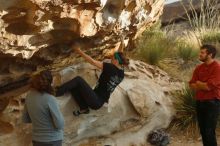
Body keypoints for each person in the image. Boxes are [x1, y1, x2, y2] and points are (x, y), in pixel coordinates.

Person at [56, 44, 129, 116]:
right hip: (98, 100)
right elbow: (120, 55)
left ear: (116, 61)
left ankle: (56, 92)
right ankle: (84, 108)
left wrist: (78, 51)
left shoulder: (110, 68)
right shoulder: (121, 73)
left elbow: (92, 62)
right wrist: (122, 43)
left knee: (78, 80)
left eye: (112, 59)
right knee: (73, 87)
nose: (110, 59)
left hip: (95, 100)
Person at [22, 70, 64, 146]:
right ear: (50, 83)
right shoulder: (50, 99)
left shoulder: (29, 96)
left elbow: (25, 119)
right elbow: (60, 124)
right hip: (53, 140)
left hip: (37, 140)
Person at [189, 44, 220, 146]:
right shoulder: (199, 68)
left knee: (209, 131)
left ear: (210, 54)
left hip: (212, 103)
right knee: (203, 131)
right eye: (200, 52)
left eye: (202, 52)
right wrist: (201, 84)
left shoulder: (217, 68)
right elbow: (191, 84)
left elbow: (208, 87)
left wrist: (199, 83)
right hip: (200, 102)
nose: (200, 54)